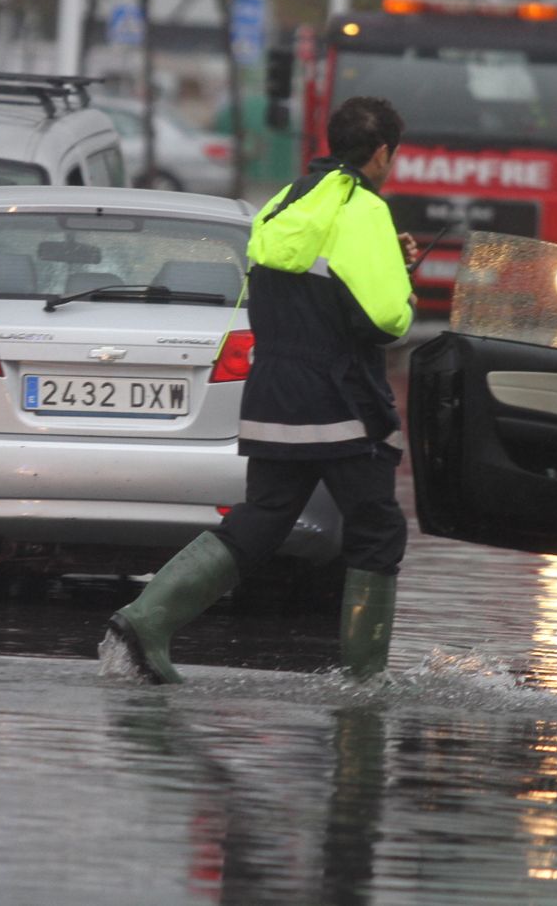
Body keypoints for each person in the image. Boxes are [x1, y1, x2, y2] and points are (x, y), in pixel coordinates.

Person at [102, 95, 417, 685]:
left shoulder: (285, 201)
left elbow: (313, 286)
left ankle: (147, 619)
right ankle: (367, 682)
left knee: (266, 516)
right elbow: (386, 321)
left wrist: (385, 267)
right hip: (341, 401)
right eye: (391, 155)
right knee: (377, 528)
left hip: (273, 394)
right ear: (380, 154)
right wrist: (402, 283)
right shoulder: (364, 210)